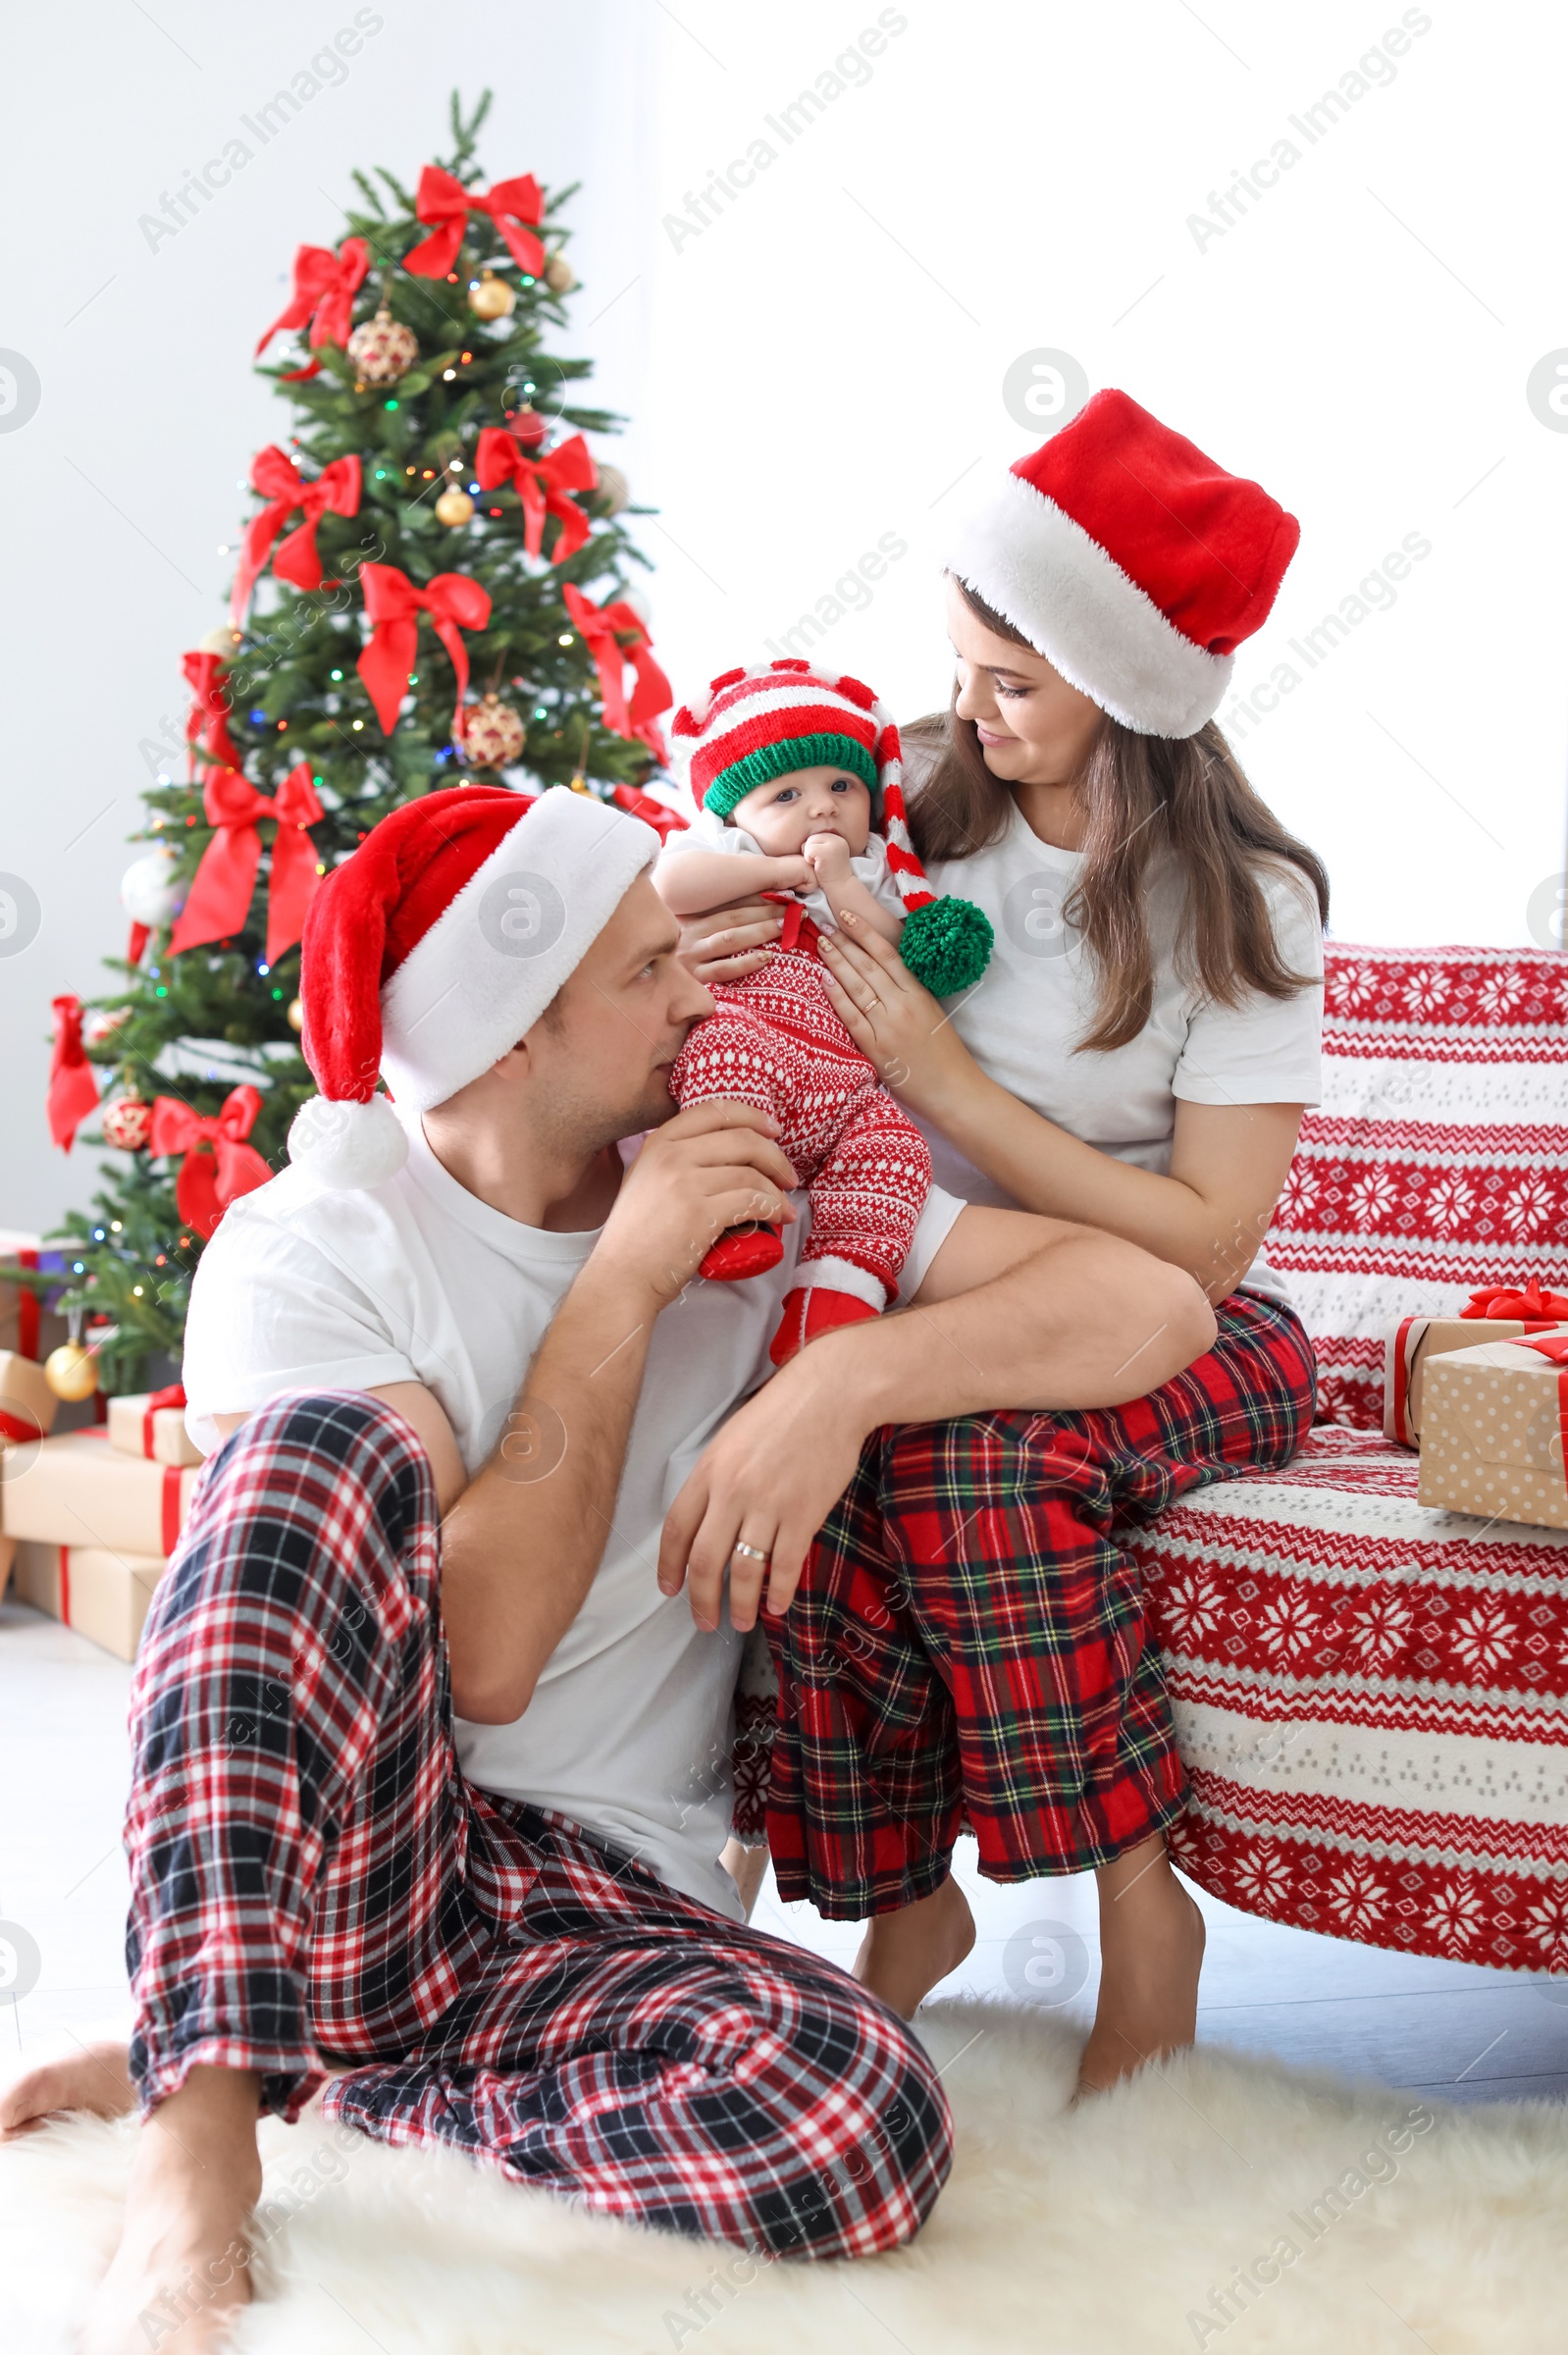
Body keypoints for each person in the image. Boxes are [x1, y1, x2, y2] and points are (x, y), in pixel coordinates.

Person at [0, 778, 1213, 2350]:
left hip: (606, 1905)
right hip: (378, 1854)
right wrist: (624, 1283)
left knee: (857, 2123)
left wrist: (844, 1382)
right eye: (646, 970)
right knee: (317, 1456)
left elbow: (1152, 1310)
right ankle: (201, 2137)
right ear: (511, 1029)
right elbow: (487, 1654)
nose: (698, 993)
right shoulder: (315, 1245)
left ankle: (348, 2080)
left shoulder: (747, 1177)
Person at [673, 389, 1327, 2088]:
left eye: (1014, 686)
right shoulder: (902, 795)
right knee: (874, 1448)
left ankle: (1142, 1912)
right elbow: (668, 857)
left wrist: (942, 1078)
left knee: (961, 1458)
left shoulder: (1245, 902)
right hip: (928, 1264)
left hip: (1184, 1312)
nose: (965, 715)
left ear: (1130, 694)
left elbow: (1202, 1247)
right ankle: (892, 1907)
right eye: (961, 667)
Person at [654, 659, 992, 1362]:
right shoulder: (728, 847)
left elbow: (895, 942)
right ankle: (736, 1223)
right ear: (734, 813)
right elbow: (673, 884)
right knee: (720, 1074)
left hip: (846, 1082)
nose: (822, 807)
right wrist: (773, 873)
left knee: (895, 1153)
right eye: (787, 794)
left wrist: (839, 881)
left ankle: (836, 1293)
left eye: (842, 785)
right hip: (751, 1033)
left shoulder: (873, 865)